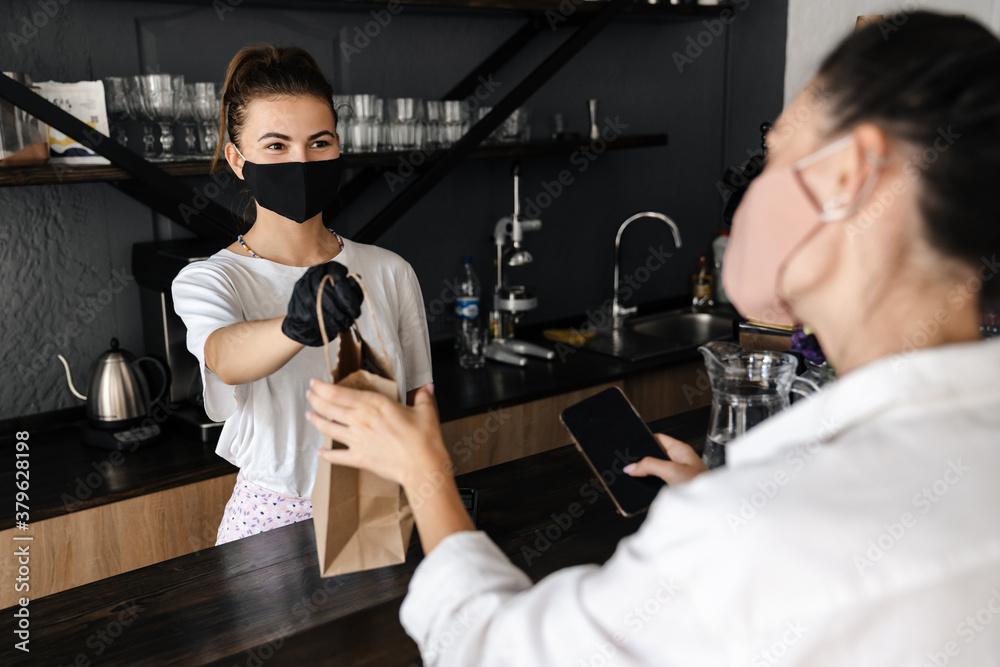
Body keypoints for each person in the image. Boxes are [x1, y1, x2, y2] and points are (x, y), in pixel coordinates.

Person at [304, 12, 1000, 665]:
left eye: (775, 154)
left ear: (849, 179)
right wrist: (716, 499)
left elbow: (499, 649)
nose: (752, 189)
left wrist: (425, 477)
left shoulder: (767, 534)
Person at [172, 45, 432, 546]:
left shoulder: (390, 270)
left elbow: (419, 401)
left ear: (338, 148)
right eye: (276, 145)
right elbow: (226, 357)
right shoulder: (211, 279)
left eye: (319, 143)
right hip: (274, 517)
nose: (301, 160)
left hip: (378, 504)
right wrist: (296, 325)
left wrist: (433, 499)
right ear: (237, 159)